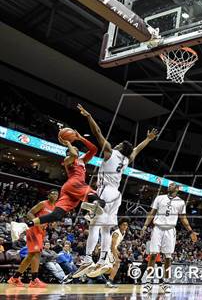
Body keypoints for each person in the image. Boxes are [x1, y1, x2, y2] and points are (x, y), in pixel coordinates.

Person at [73, 104, 158, 277]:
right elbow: (137, 150)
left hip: (105, 191)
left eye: (119, 144)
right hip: (116, 195)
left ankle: (88, 258)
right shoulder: (126, 160)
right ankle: (104, 259)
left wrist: (89, 117)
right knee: (105, 228)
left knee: (94, 225)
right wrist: (148, 139)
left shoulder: (110, 152)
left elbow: (97, 133)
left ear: (119, 148)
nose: (116, 144)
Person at [11, 131, 103, 240]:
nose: (77, 150)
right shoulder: (68, 160)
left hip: (69, 191)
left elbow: (94, 150)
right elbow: (73, 154)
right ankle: (90, 210)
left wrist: (80, 138)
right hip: (75, 184)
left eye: (77, 149)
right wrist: (68, 143)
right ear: (68, 153)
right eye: (74, 149)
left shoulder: (82, 161)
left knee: (56, 215)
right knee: (100, 201)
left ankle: (22, 226)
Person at [140, 182, 198, 294]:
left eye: (172, 185)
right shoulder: (159, 198)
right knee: (152, 255)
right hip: (157, 228)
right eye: (169, 185)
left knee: (168, 257)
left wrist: (191, 231)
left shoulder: (181, 202)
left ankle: (166, 282)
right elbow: (152, 213)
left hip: (170, 230)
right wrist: (145, 225)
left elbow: (183, 218)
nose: (169, 186)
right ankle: (149, 282)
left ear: (177, 189)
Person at [8, 189, 58, 288]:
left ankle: (15, 278)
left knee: (30, 256)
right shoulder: (43, 203)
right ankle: (34, 279)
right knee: (37, 253)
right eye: (52, 193)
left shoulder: (54, 208)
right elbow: (29, 213)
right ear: (48, 195)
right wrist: (37, 223)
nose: (55, 195)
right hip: (33, 230)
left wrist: (52, 223)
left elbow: (50, 221)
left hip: (41, 232)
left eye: (56, 194)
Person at [87, 218, 129, 287]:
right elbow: (112, 246)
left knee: (111, 267)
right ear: (120, 226)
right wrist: (116, 257)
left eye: (126, 225)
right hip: (107, 250)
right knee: (111, 266)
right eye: (123, 225)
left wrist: (117, 251)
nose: (125, 226)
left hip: (109, 249)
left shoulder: (123, 233)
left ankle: (108, 281)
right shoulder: (116, 233)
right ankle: (89, 273)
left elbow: (114, 245)